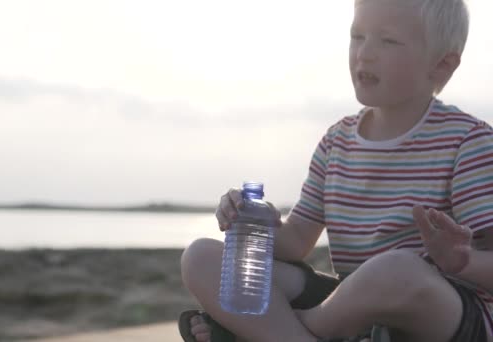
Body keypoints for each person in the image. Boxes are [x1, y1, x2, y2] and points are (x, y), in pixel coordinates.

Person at [178, 0, 493, 341]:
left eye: (388, 41)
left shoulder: (468, 142)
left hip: (442, 315)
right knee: (201, 257)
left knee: (396, 268)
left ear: (441, 65)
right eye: (357, 36)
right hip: (349, 310)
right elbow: (296, 241)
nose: (365, 53)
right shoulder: (336, 142)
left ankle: (261, 332)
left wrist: (461, 263)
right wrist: (259, 223)